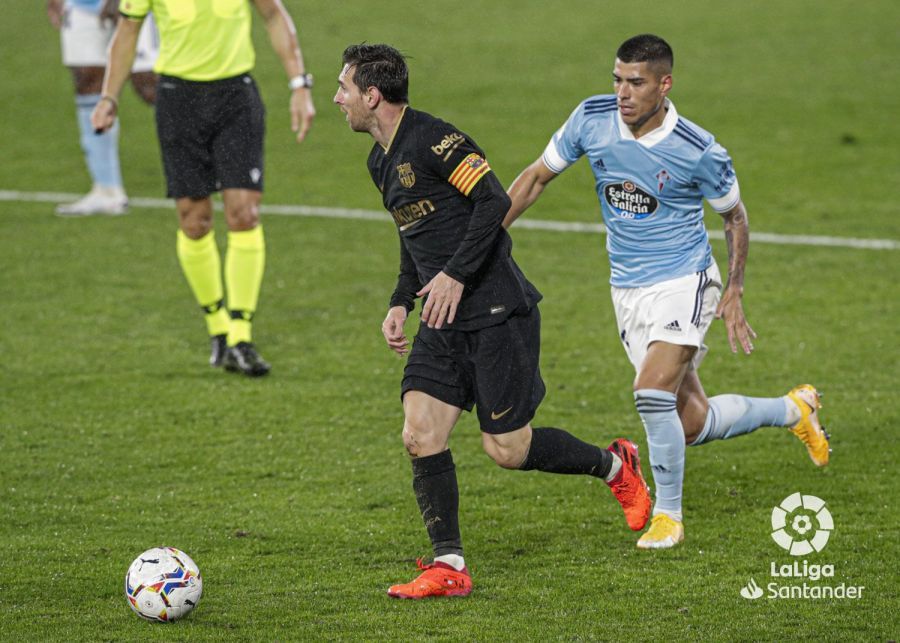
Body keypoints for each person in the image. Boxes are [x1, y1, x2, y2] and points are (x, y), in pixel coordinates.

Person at [334, 43, 651, 599]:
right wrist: (401, 299)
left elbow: (492, 199)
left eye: (344, 88)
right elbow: (415, 238)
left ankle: (614, 466)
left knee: (507, 449)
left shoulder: (436, 139)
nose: (337, 98)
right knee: (419, 434)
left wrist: (456, 275)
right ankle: (449, 565)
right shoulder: (379, 160)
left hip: (496, 311)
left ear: (372, 95)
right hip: (440, 316)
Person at [504, 34, 831, 550]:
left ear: (664, 84)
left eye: (636, 82)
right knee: (691, 421)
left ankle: (669, 515)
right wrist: (485, 236)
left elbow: (735, 217)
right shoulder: (591, 119)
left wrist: (735, 289)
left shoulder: (699, 150)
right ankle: (795, 410)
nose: (623, 92)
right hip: (627, 288)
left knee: (651, 392)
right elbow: (536, 178)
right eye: (617, 79)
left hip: (686, 280)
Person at [91, 0, 315, 376]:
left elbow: (274, 15)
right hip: (178, 100)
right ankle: (218, 329)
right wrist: (108, 97)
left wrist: (298, 84)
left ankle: (241, 336)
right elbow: (126, 32)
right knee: (193, 220)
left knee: (244, 213)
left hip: (235, 98)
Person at [47, 0, 158, 216]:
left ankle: (217, 165)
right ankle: (106, 189)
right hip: (81, 5)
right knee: (87, 79)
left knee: (150, 84)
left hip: (137, 5)